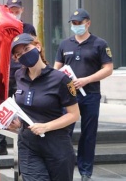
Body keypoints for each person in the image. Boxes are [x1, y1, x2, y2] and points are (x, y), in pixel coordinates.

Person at [8, 33, 80, 181]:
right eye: (18, 54)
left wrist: (46, 126)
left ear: (38, 46)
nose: (24, 55)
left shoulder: (60, 79)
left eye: (27, 49)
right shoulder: (19, 75)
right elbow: (23, 106)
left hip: (56, 145)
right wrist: (17, 121)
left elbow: (74, 114)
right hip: (28, 145)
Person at [54, 8, 113, 181]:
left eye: (79, 23)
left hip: (90, 95)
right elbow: (57, 68)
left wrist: (86, 80)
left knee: (88, 133)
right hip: (69, 95)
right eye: (74, 23)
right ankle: (63, 166)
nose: (76, 26)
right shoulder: (65, 44)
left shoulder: (99, 44)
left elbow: (108, 69)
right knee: (64, 131)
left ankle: (85, 171)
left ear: (88, 23)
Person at [0, 0, 36, 156]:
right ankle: (0, 144)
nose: (14, 14)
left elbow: (33, 47)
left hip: (23, 74)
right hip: (3, 75)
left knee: (24, 109)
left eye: (17, 11)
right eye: (11, 11)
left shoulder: (28, 28)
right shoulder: (1, 28)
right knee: (1, 108)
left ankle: (26, 144)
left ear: (22, 10)